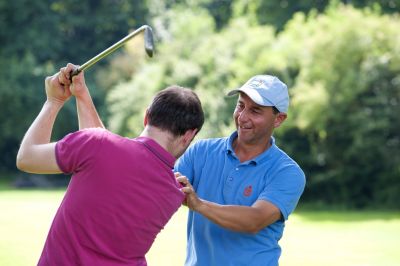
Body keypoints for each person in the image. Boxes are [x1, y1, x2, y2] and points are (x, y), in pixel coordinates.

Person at [16, 63, 204, 266]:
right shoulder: (174, 193)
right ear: (189, 135)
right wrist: (82, 94)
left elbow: (27, 157)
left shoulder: (97, 145)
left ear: (146, 116)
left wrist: (53, 101)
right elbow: (103, 152)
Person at [175, 75, 306, 266]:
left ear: (278, 119)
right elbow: (161, 187)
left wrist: (199, 204)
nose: (243, 117)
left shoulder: (287, 172)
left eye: (255, 111)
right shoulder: (200, 152)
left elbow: (255, 220)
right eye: (240, 105)